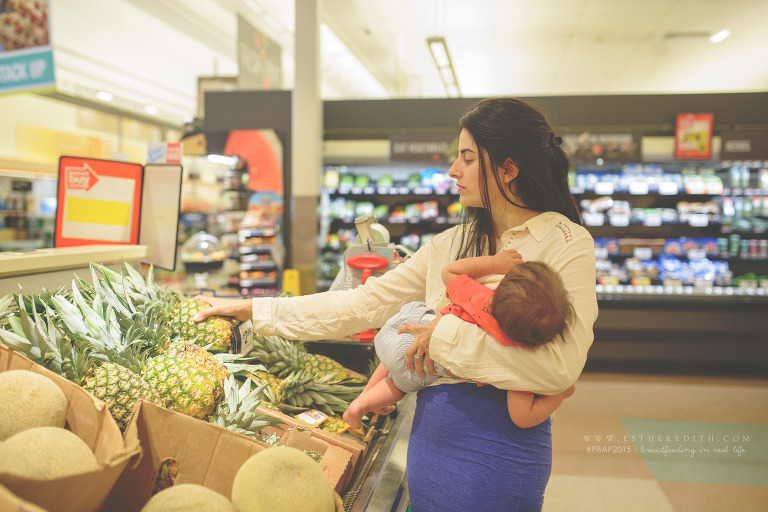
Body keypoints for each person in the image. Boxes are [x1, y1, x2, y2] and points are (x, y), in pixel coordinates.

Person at [194, 97, 598, 512]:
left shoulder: (566, 243)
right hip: (431, 444)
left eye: (468, 158)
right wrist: (252, 309)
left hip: (499, 457)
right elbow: (360, 305)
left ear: (509, 169)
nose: (453, 171)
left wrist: (438, 337)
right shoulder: (450, 245)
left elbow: (558, 367)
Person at [342, 249, 576, 430]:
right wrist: (557, 394)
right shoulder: (518, 359)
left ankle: (362, 397)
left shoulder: (482, 297)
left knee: (399, 356)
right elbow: (522, 418)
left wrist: (494, 262)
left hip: (408, 328)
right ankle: (361, 406)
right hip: (422, 368)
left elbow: (449, 271)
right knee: (397, 384)